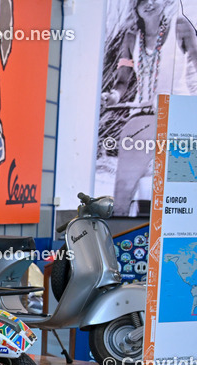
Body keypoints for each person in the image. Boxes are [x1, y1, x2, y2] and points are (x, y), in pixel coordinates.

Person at [102, 0, 197, 214]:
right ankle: (122, 239)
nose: (150, 3)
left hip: (179, 115)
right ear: (135, 6)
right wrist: (113, 97)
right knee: (123, 194)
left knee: (179, 195)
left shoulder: (181, 26)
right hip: (141, 117)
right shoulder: (131, 36)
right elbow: (122, 82)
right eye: (143, 0)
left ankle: (177, 246)